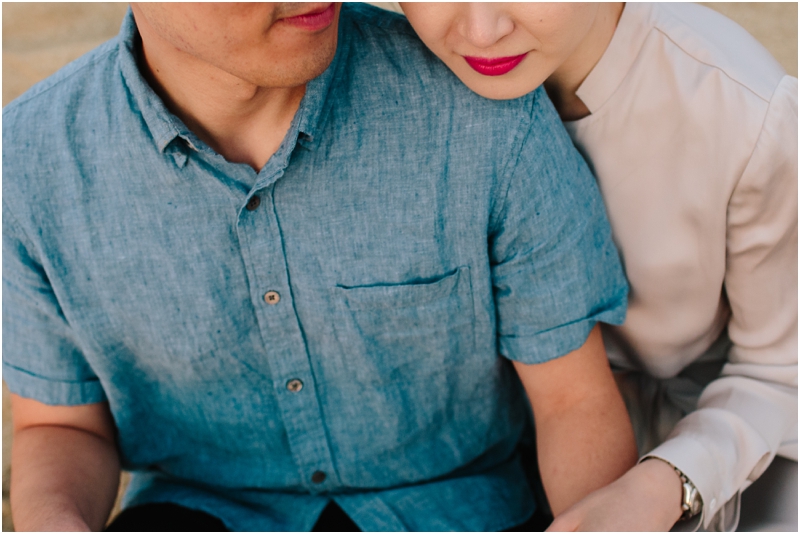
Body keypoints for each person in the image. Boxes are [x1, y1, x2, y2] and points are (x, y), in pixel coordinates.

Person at [3, 3, 637, 531]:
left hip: (463, 507)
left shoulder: (483, 108)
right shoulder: (28, 166)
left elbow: (573, 402)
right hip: (193, 508)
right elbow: (59, 424)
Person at [400, 2, 798, 531]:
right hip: (486, 466)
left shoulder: (746, 110)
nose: (481, 31)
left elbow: (781, 371)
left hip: (715, 442)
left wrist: (667, 482)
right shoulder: (392, 83)